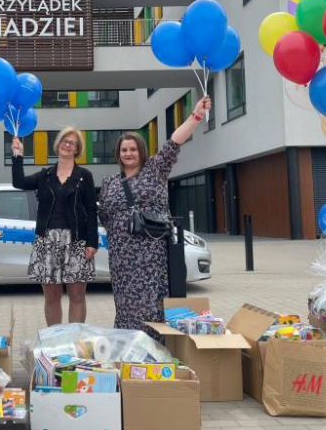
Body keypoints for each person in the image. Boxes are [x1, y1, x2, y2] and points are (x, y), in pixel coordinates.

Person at [98, 95, 211, 335]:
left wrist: (196, 115)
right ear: (118, 154)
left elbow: (173, 143)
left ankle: (154, 345)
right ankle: (128, 342)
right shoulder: (109, 182)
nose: (128, 153)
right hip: (121, 256)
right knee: (125, 302)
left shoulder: (155, 170)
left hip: (150, 254)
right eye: (123, 150)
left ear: (141, 151)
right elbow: (104, 215)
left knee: (150, 301)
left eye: (133, 149)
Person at [11, 127, 98, 326]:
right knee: (52, 297)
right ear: (57, 145)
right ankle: (54, 342)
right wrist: (17, 155)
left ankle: (75, 340)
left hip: (77, 240)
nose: (68, 145)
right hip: (47, 240)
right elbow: (19, 182)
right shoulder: (45, 175)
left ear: (77, 149)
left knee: (76, 296)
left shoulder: (84, 175)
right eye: (64, 141)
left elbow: (92, 209)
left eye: (72, 142)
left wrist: (91, 242)